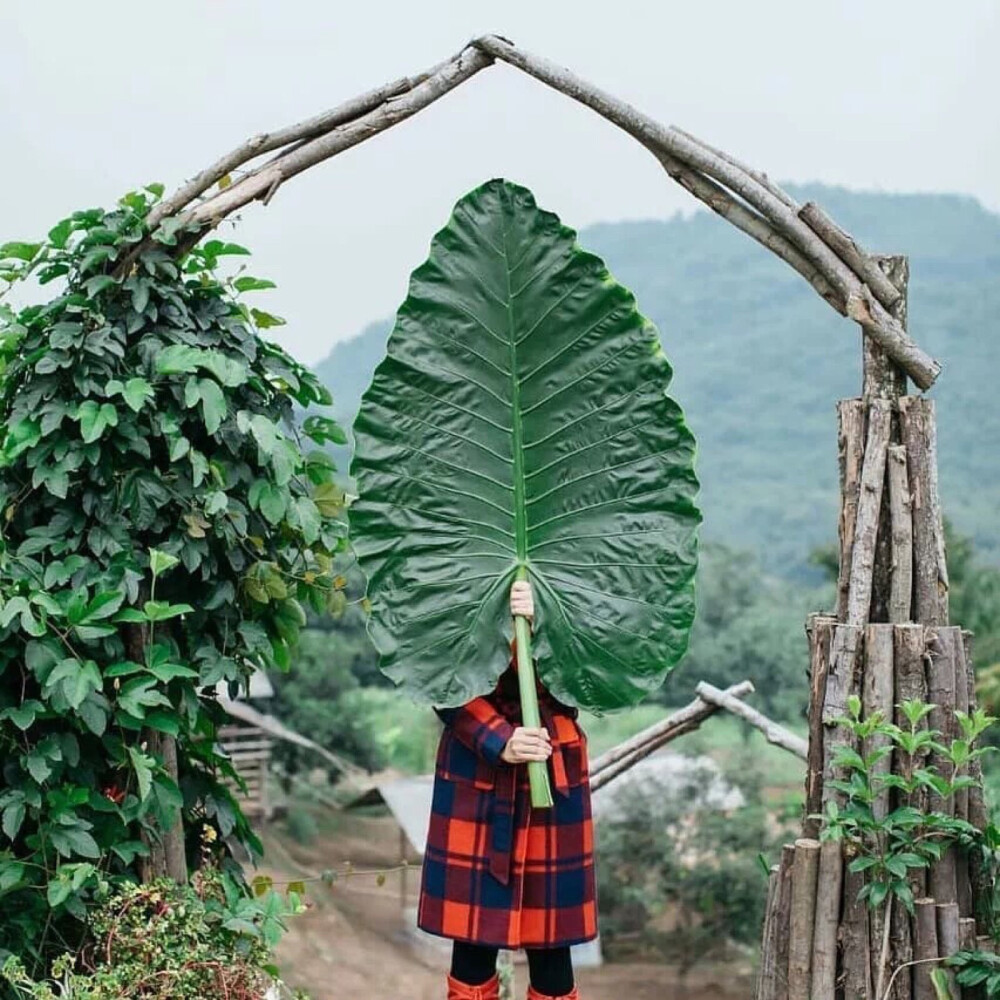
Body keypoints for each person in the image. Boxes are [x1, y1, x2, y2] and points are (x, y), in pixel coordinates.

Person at [418, 579, 597, 1000]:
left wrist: (548, 619)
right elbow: (437, 678)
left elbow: (595, 676)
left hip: (550, 764)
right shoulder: (458, 566)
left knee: (553, 948)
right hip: (477, 767)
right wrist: (499, 738)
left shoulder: (572, 568)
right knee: (473, 941)